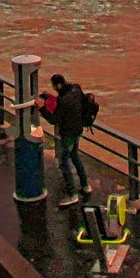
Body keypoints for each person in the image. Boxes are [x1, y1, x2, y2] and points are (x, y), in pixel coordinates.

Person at [47, 73, 91, 206]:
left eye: (54, 86)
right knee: (75, 156)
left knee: (64, 162)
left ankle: (72, 194)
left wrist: (42, 108)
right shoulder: (76, 89)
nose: (53, 88)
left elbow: (54, 119)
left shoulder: (63, 99)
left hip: (67, 135)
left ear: (58, 85)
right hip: (78, 130)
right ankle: (85, 186)